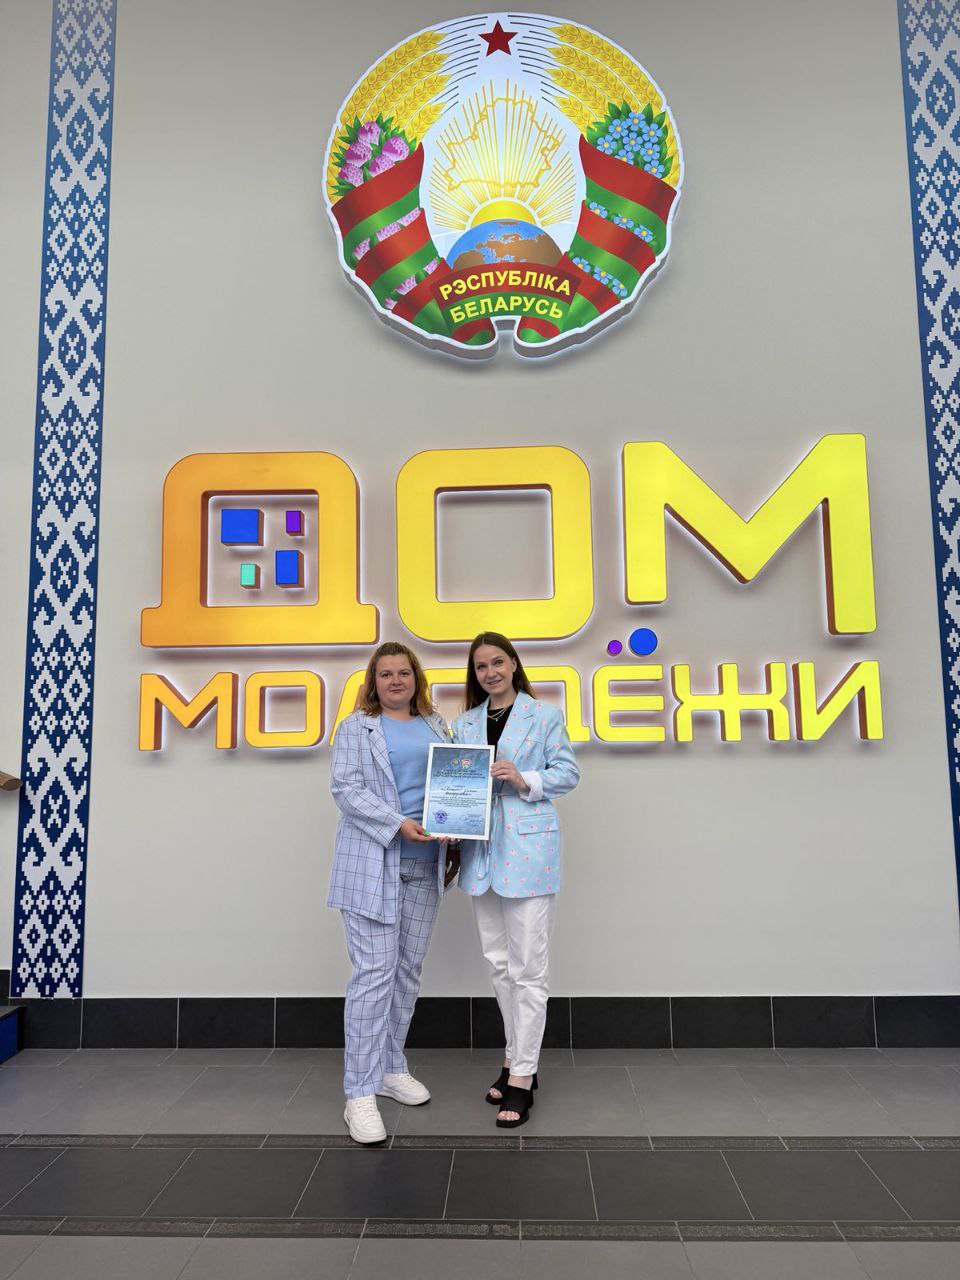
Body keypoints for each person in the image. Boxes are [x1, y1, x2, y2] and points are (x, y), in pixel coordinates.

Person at [328, 641, 458, 1145]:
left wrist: (456, 829)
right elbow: (346, 789)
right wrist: (397, 822)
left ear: (416, 678)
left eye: (404, 673)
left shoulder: (436, 726)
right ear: (373, 681)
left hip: (425, 867)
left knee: (406, 971)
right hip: (371, 865)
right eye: (386, 674)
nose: (396, 681)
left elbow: (451, 788)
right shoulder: (355, 728)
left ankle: (390, 1067)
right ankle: (358, 1093)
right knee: (374, 974)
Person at [451, 632, 580, 1128]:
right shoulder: (465, 724)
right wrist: (448, 820)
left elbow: (568, 773)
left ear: (513, 664)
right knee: (499, 966)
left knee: (529, 971)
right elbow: (455, 784)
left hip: (528, 852)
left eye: (497, 662)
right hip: (481, 854)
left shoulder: (543, 716)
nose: (490, 672)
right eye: (481, 666)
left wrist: (526, 779)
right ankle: (513, 1057)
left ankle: (523, 1076)